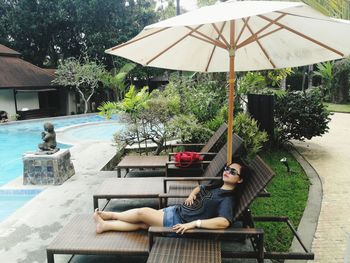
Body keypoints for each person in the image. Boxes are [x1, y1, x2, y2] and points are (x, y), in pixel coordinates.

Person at [94, 162, 250, 234]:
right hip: (177, 211)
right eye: (227, 168)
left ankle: (110, 215)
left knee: (142, 213)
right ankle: (105, 226)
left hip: (178, 223)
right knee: (142, 224)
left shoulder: (227, 199)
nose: (227, 171)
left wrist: (194, 224)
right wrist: (191, 195)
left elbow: (224, 222)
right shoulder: (216, 186)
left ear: (240, 179)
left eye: (233, 172)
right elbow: (199, 188)